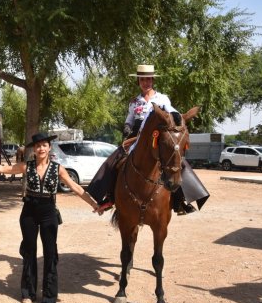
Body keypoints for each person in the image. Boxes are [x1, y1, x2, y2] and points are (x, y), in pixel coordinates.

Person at [0, 133, 101, 303]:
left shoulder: (58, 168)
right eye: (38, 146)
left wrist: (94, 204)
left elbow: (75, 187)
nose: (41, 148)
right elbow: (3, 170)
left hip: (48, 212)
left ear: (49, 147)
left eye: (44, 145)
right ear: (34, 149)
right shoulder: (26, 166)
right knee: (29, 252)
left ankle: (49, 295)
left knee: (50, 253)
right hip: (29, 211)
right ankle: (28, 292)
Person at [86, 64, 209, 214]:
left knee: (177, 160)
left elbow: (172, 112)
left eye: (149, 79)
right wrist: (127, 126)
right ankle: (111, 196)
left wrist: (178, 116)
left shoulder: (162, 98)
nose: (146, 83)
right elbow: (130, 119)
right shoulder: (134, 102)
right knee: (115, 161)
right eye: (143, 80)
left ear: (152, 81)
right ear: (138, 81)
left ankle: (180, 200)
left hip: (158, 136)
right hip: (136, 137)